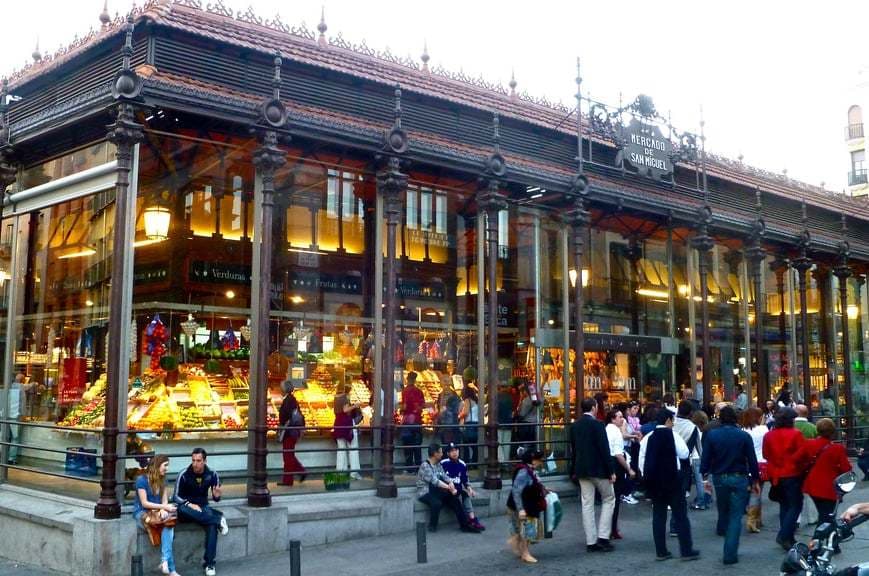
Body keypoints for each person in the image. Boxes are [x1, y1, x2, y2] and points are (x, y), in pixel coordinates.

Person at [700, 406, 759, 565]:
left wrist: (705, 479)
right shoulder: (744, 436)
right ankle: (730, 552)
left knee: (723, 506)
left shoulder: (713, 435)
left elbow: (705, 458)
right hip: (739, 476)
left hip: (719, 477)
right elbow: (752, 460)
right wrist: (755, 480)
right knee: (736, 515)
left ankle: (722, 528)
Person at [640, 410, 699, 562]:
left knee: (658, 516)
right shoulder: (673, 435)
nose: (673, 423)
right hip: (673, 479)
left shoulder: (648, 438)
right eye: (672, 421)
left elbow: (642, 459)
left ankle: (661, 551)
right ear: (667, 421)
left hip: (655, 481)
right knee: (680, 515)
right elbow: (685, 453)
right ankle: (686, 550)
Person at [569, 397, 616, 553]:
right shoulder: (598, 425)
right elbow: (604, 449)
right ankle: (603, 536)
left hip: (582, 469)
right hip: (598, 470)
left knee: (587, 504)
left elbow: (574, 450)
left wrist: (573, 470)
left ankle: (591, 541)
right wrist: (611, 471)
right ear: (594, 408)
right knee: (609, 499)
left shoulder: (575, 426)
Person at [174, 448, 229, 576]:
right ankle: (218, 518)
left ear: (204, 461)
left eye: (198, 461)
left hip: (203, 508)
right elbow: (175, 497)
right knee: (181, 508)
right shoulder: (184, 474)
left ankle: (209, 565)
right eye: (193, 460)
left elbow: (216, 498)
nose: (195, 463)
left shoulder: (212, 474)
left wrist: (216, 496)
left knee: (211, 526)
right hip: (186, 509)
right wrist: (190, 505)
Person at [763, 407, 807, 550]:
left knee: (784, 505)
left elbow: (766, 454)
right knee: (795, 505)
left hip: (775, 473)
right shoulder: (796, 434)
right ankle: (784, 534)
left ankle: (787, 537)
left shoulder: (769, 435)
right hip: (792, 473)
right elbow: (802, 455)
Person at [416, 442, 479, 533]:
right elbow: (435, 481)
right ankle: (432, 526)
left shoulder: (438, 464)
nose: (442, 454)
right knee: (436, 503)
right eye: (440, 452)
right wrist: (450, 488)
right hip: (425, 492)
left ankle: (464, 525)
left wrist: (451, 483)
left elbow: (445, 476)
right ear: (435, 454)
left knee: (454, 498)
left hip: (435, 491)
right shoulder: (425, 466)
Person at [802, 418, 852, 529]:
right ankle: (818, 540)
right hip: (829, 487)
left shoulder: (808, 444)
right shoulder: (837, 448)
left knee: (824, 515)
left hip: (811, 485)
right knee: (827, 517)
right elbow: (846, 468)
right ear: (832, 432)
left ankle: (826, 540)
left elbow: (798, 460)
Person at [135, 454, 180, 576]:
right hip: (143, 513)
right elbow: (144, 503)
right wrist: (164, 507)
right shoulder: (141, 480)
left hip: (157, 512)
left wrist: (163, 510)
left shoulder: (163, 480)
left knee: (169, 525)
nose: (167, 468)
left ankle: (165, 562)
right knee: (168, 527)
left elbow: (164, 499)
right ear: (157, 465)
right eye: (165, 465)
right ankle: (171, 568)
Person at [507, 448, 547, 564]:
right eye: (539, 460)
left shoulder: (529, 469)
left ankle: (518, 547)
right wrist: (521, 510)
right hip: (524, 506)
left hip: (528, 505)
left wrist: (544, 489)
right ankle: (525, 553)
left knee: (524, 530)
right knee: (527, 530)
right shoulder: (524, 472)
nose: (540, 462)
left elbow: (533, 483)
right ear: (533, 461)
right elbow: (516, 491)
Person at [441, 442, 485, 531]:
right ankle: (465, 524)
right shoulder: (443, 463)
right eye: (452, 451)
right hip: (447, 492)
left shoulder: (462, 464)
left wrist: (470, 488)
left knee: (465, 494)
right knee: (457, 499)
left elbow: (465, 480)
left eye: (456, 450)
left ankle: (472, 519)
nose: (454, 453)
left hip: (458, 490)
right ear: (448, 453)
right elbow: (439, 479)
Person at [605, 409, 635, 539]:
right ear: (613, 419)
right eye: (619, 417)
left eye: (622, 416)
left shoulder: (607, 429)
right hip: (616, 465)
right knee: (615, 500)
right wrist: (629, 469)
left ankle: (610, 528)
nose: (622, 419)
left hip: (609, 464)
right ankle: (612, 529)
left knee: (611, 499)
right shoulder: (616, 432)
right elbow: (618, 454)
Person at [740, 406, 769, 533]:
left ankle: (757, 518)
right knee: (757, 491)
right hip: (761, 462)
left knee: (753, 490)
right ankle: (753, 520)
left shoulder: (742, 430)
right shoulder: (763, 429)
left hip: (746, 463)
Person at [673, 401, 701, 516]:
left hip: (670, 459)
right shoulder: (692, 427)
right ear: (690, 413)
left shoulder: (671, 423)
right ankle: (678, 517)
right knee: (682, 490)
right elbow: (698, 447)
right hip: (684, 460)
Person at [277, 381, 306, 486]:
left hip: (289, 431)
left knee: (288, 456)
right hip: (291, 430)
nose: (280, 390)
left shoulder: (289, 400)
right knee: (289, 455)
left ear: (285, 390)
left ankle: (288, 480)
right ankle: (301, 471)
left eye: (281, 388)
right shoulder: (290, 399)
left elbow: (286, 415)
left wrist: (282, 422)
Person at [333, 384, 361, 480]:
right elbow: (345, 410)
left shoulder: (335, 398)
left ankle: (341, 471)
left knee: (341, 449)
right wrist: (355, 406)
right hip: (347, 424)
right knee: (353, 449)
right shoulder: (344, 398)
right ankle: (354, 472)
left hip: (338, 424)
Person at [400, 371, 425, 472]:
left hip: (407, 421)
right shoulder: (419, 391)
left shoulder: (405, 391)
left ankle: (409, 467)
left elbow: (405, 406)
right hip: (417, 420)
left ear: (407, 379)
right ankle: (418, 466)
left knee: (408, 445)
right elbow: (423, 405)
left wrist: (401, 409)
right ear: (415, 380)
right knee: (417, 444)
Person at [3, 373, 25, 465]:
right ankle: (11, 458)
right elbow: (22, 403)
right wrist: (23, 415)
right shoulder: (21, 387)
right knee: (15, 438)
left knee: (4, 437)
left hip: (5, 415)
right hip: (15, 416)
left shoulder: (8, 387)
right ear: (22, 380)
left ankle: (3, 456)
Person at [458, 385, 480, 465]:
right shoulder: (477, 401)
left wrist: (459, 415)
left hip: (469, 425)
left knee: (466, 445)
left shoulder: (467, 401)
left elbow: (466, 412)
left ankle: (467, 463)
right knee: (475, 446)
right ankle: (475, 463)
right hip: (476, 425)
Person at [514, 385, 538, 452]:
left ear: (525, 391)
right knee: (531, 443)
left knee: (524, 443)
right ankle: (530, 456)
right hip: (534, 423)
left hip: (526, 424)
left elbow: (521, 414)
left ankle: (525, 457)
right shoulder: (536, 400)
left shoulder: (526, 401)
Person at [497, 383, 515, 464]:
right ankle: (506, 462)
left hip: (499, 423)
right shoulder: (510, 398)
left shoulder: (497, 397)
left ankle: (501, 460)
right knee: (507, 443)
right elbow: (512, 411)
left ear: (500, 387)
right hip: (508, 423)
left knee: (499, 443)